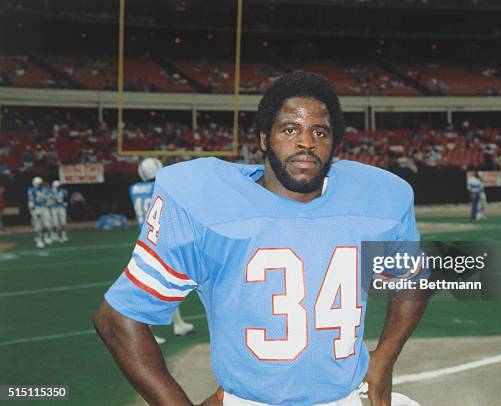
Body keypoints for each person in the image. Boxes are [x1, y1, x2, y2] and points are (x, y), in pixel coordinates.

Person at [94, 72, 428, 406]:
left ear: (333, 142)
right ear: (264, 138)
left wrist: (385, 358)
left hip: (345, 397)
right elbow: (117, 319)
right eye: (290, 129)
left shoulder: (379, 198)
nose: (306, 142)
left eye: (320, 132)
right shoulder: (207, 202)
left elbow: (417, 279)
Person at [127, 157, 195, 345]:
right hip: (161, 240)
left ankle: (178, 323)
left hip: (145, 239)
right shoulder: (163, 187)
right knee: (154, 288)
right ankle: (145, 331)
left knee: (168, 284)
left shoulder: (133, 188)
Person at [27, 177, 52, 248]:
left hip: (44, 208)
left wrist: (48, 204)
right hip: (37, 208)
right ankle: (39, 240)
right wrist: (33, 211)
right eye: (39, 183)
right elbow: (31, 201)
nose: (41, 185)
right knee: (38, 226)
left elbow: (47, 198)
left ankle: (46, 237)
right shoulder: (31, 190)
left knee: (47, 224)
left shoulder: (44, 190)